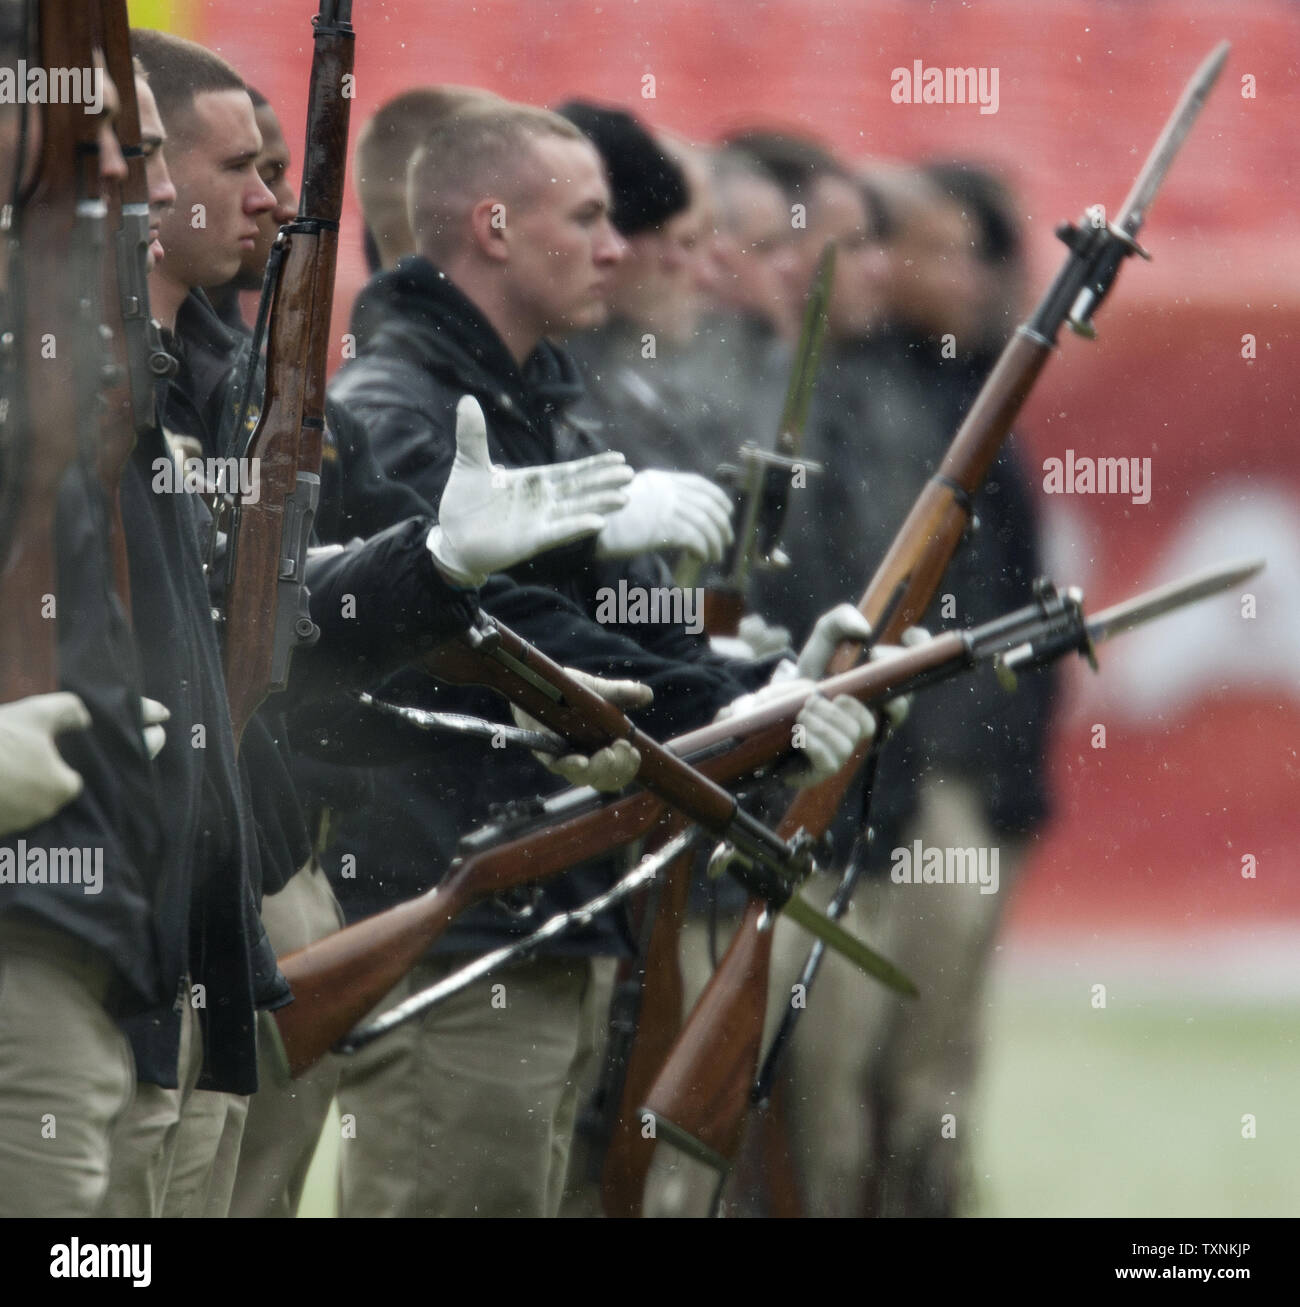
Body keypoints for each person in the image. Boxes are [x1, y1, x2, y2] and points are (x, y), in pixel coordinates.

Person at [326, 98, 879, 1217]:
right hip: (461, 907)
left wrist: (753, 694)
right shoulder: (408, 406)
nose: (616, 247)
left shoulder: (531, 403)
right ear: (491, 226)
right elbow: (516, 631)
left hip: (546, 901)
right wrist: (738, 709)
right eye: (585, 218)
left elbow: (626, 622)